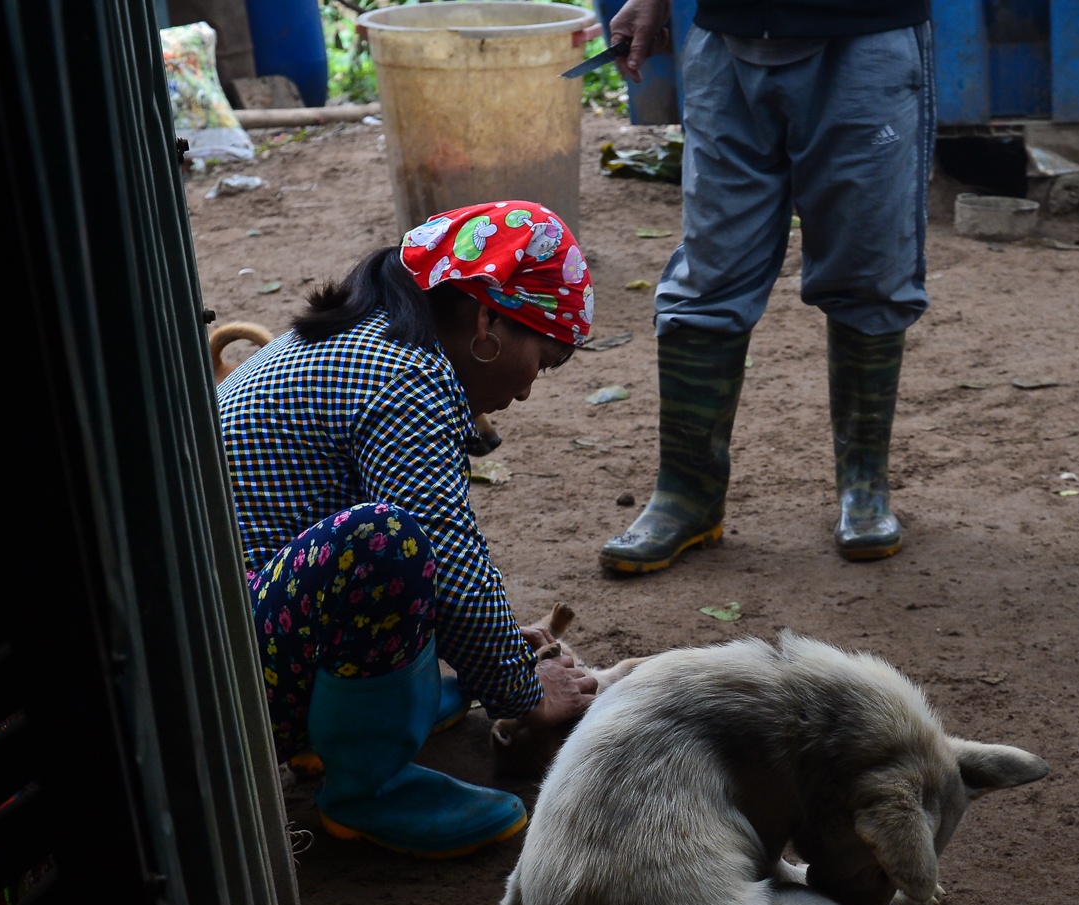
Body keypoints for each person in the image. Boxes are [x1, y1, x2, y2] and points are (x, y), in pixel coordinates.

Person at [217, 201, 600, 858]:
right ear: (488, 320)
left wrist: (500, 645)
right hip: (227, 684)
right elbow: (442, 563)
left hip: (241, 628)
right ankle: (368, 788)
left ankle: (356, 721)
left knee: (400, 537)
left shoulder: (373, 340)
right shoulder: (406, 377)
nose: (533, 388)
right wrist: (518, 687)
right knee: (386, 542)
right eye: (546, 356)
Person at [600, 0, 934, 573]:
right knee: (710, 273)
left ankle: (864, 485)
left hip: (866, 33)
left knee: (869, 267)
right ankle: (687, 495)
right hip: (729, 34)